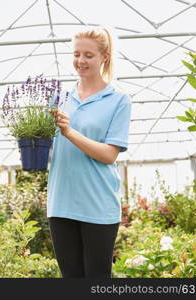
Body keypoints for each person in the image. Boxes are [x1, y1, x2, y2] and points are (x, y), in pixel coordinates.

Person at [48, 27, 132, 279]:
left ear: (104, 57)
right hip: (61, 203)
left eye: (88, 55)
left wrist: (70, 132)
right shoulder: (58, 98)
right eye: (76, 54)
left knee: (97, 279)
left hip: (98, 204)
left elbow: (109, 154)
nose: (80, 61)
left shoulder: (118, 100)